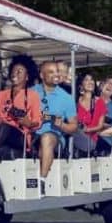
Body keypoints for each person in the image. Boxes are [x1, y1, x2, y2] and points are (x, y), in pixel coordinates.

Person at [32, 61, 79, 192]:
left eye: (57, 71)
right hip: (31, 132)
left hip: (54, 136)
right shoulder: (31, 92)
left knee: (46, 138)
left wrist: (62, 125)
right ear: (42, 75)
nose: (56, 75)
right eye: (51, 72)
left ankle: (41, 182)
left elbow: (74, 126)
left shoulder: (66, 98)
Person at [0, 56, 41, 160]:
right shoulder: (1, 95)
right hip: (1, 134)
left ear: (27, 77)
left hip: (20, 136)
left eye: (20, 71)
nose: (15, 73)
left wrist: (28, 123)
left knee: (6, 127)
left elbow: (37, 122)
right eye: (13, 70)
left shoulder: (33, 96)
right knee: (2, 127)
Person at [74, 73, 108, 156]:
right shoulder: (75, 101)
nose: (90, 82)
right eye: (86, 80)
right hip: (74, 135)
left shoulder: (99, 102)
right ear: (80, 85)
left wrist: (86, 130)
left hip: (90, 140)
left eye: (92, 79)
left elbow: (100, 126)